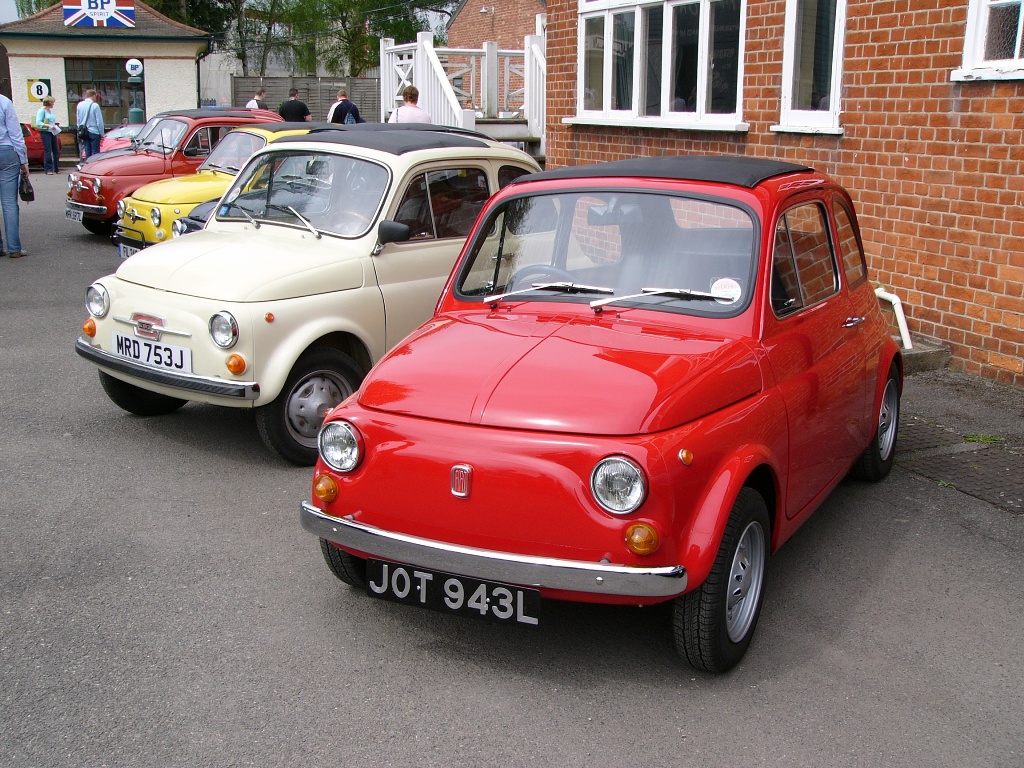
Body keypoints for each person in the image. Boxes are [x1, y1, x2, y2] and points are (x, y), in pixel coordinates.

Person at [0, 93, 29, 258]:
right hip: (6, 152)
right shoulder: (4, 102)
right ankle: (14, 248)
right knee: (9, 203)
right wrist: (23, 160)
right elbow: (16, 134)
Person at [34, 95, 60, 175]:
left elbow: (52, 120)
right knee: (48, 150)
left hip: (52, 131)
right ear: (48, 103)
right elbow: (38, 122)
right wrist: (49, 126)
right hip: (45, 132)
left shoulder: (51, 111)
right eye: (52, 102)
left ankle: (56, 168)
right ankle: (48, 169)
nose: (53, 104)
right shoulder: (42, 110)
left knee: (56, 150)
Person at [76, 89, 103, 159]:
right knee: (95, 153)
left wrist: (79, 128)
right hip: (94, 131)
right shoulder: (95, 105)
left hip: (84, 131)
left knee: (87, 151)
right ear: (94, 95)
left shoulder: (79, 105)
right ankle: (94, 167)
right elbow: (99, 121)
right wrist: (101, 133)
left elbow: (78, 119)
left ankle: (88, 165)